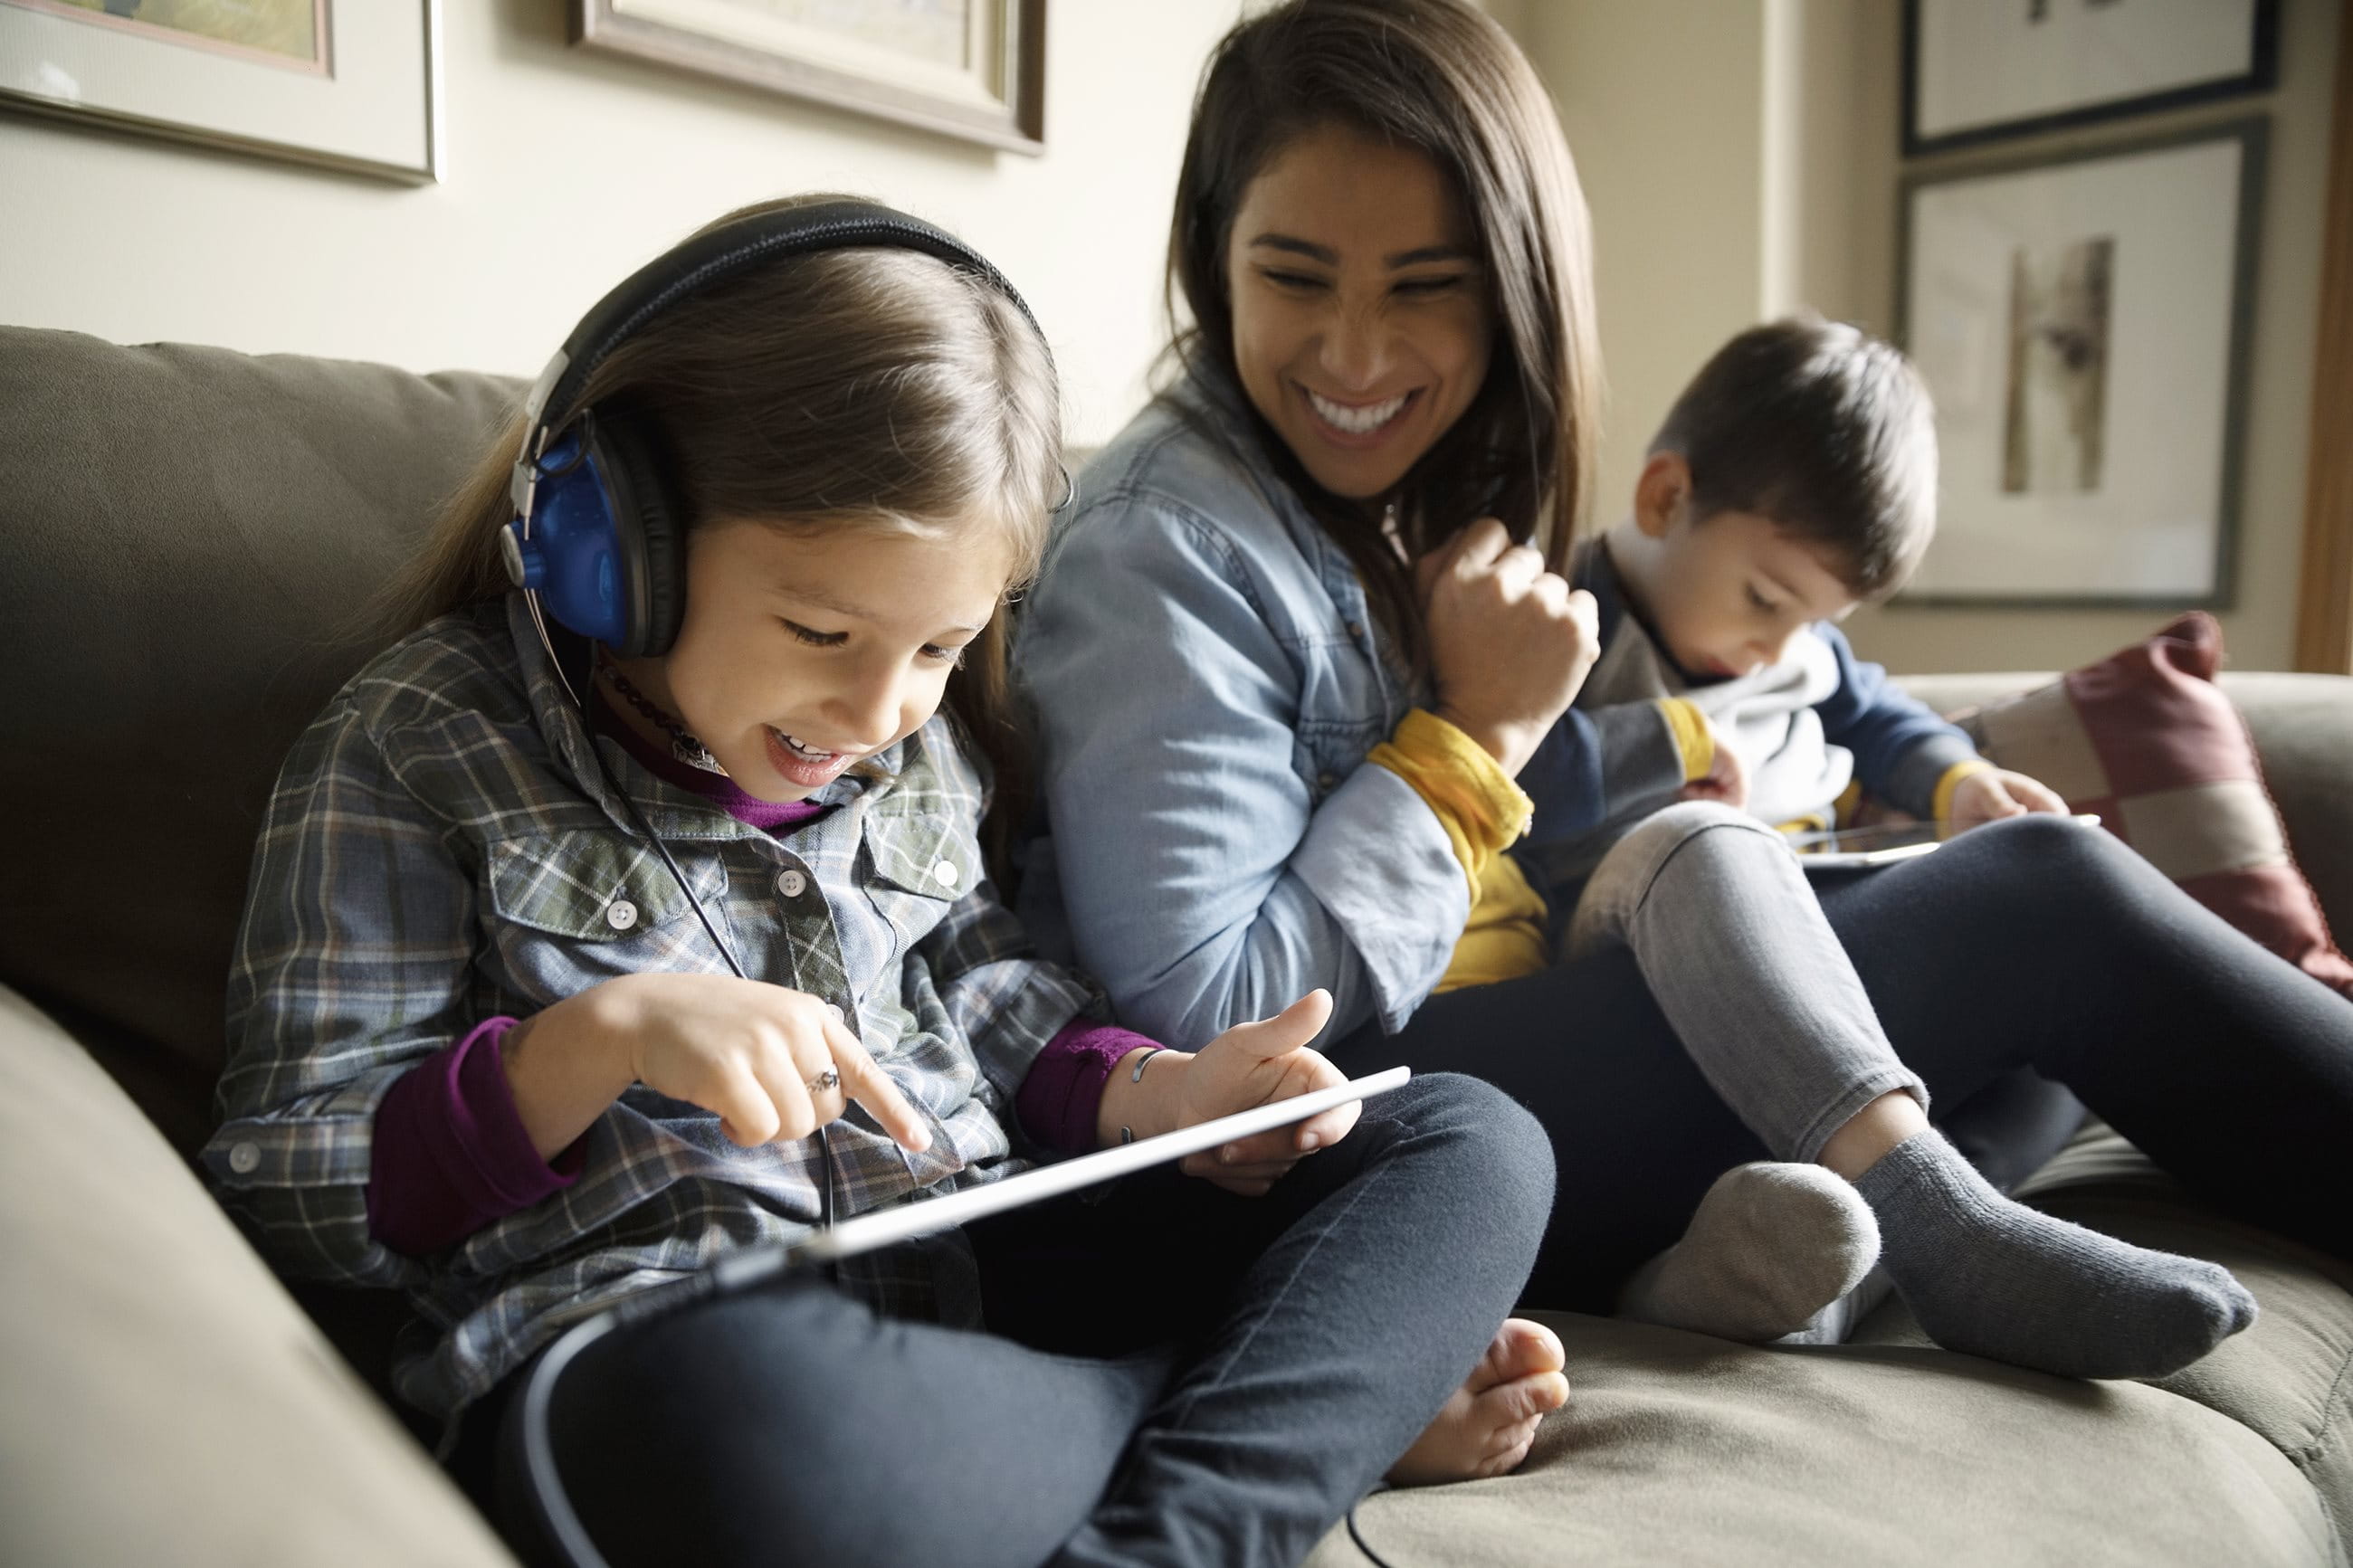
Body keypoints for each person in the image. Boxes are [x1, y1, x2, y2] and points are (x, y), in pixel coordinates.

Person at [203, 195, 1569, 1568]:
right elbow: (287, 1180)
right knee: (751, 1421)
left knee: (1466, 1138)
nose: (876, 709)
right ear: (614, 544)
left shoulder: (916, 753)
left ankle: (1182, 1509)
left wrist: (1170, 1093)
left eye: (938, 649)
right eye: (820, 628)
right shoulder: (420, 739)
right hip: (675, 1352)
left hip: (971, 1287)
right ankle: (1281, 1409)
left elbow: (980, 983)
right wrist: (591, 1044)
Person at [1015, 0, 2353, 1379]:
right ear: (1215, 260)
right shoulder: (1162, 548)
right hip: (1326, 1137)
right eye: (1295, 278)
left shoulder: (1395, 496)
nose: (1357, 355)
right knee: (2052, 908)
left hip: (1490, 1027)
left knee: (2027, 896)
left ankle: (1886, 1228)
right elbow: (1201, 1017)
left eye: (1424, 285)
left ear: (1514, 284)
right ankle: (1935, 1224)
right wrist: (1476, 735)